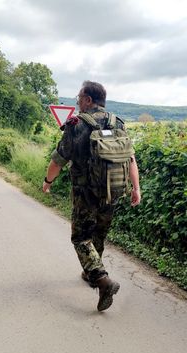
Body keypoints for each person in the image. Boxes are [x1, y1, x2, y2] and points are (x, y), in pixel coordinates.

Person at [43, 81, 141, 311]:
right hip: (113, 191)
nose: (77, 101)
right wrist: (136, 188)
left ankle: (102, 280)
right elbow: (130, 159)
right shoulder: (118, 123)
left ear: (88, 100)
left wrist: (47, 182)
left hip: (85, 193)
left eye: (79, 97)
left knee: (80, 238)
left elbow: (59, 159)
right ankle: (91, 273)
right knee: (98, 233)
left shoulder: (77, 125)